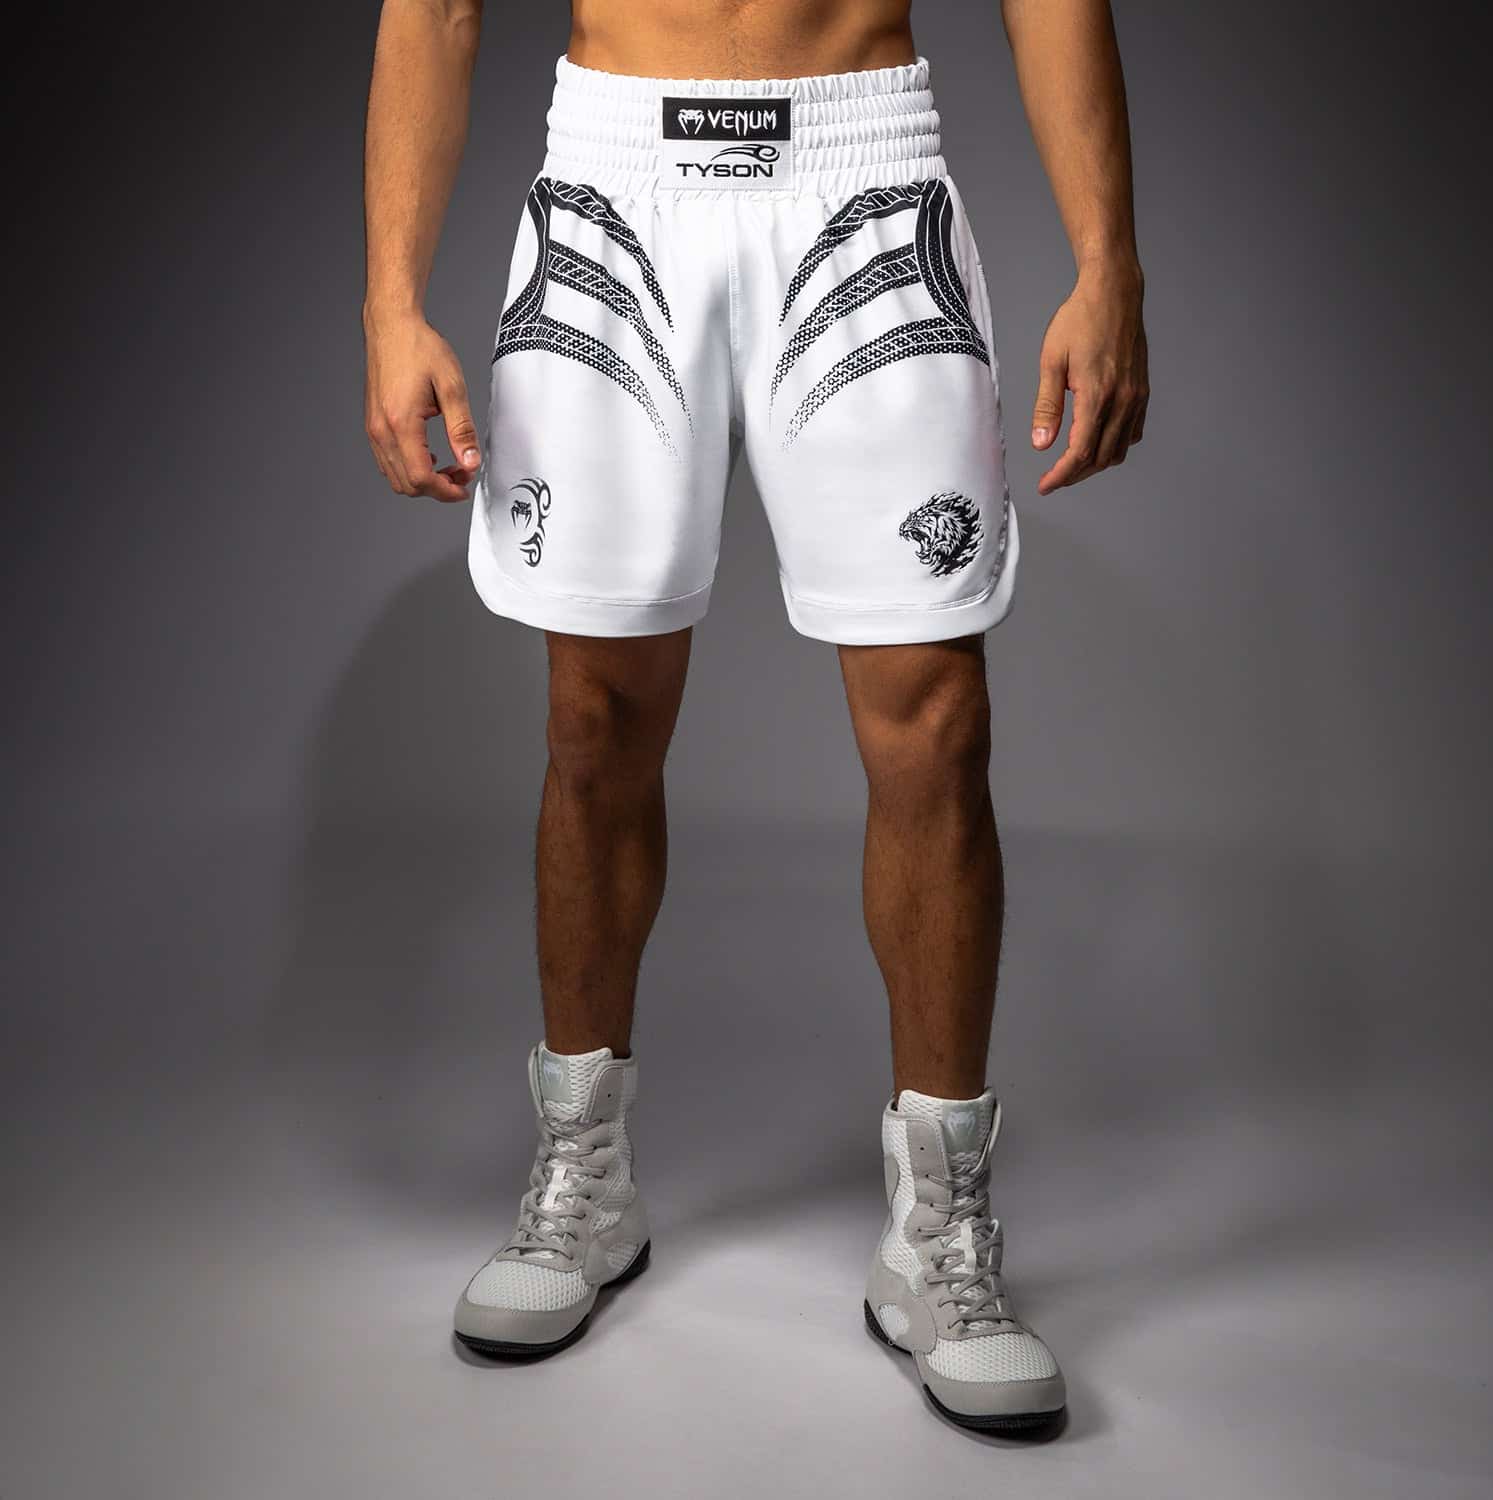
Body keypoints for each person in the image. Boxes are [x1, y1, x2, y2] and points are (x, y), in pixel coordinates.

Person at [363, 0, 1147, 1434]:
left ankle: (939, 1235)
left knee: (936, 719)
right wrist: (389, 299)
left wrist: (1109, 262)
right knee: (595, 716)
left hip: (860, 171)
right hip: (617, 180)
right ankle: (584, 1178)